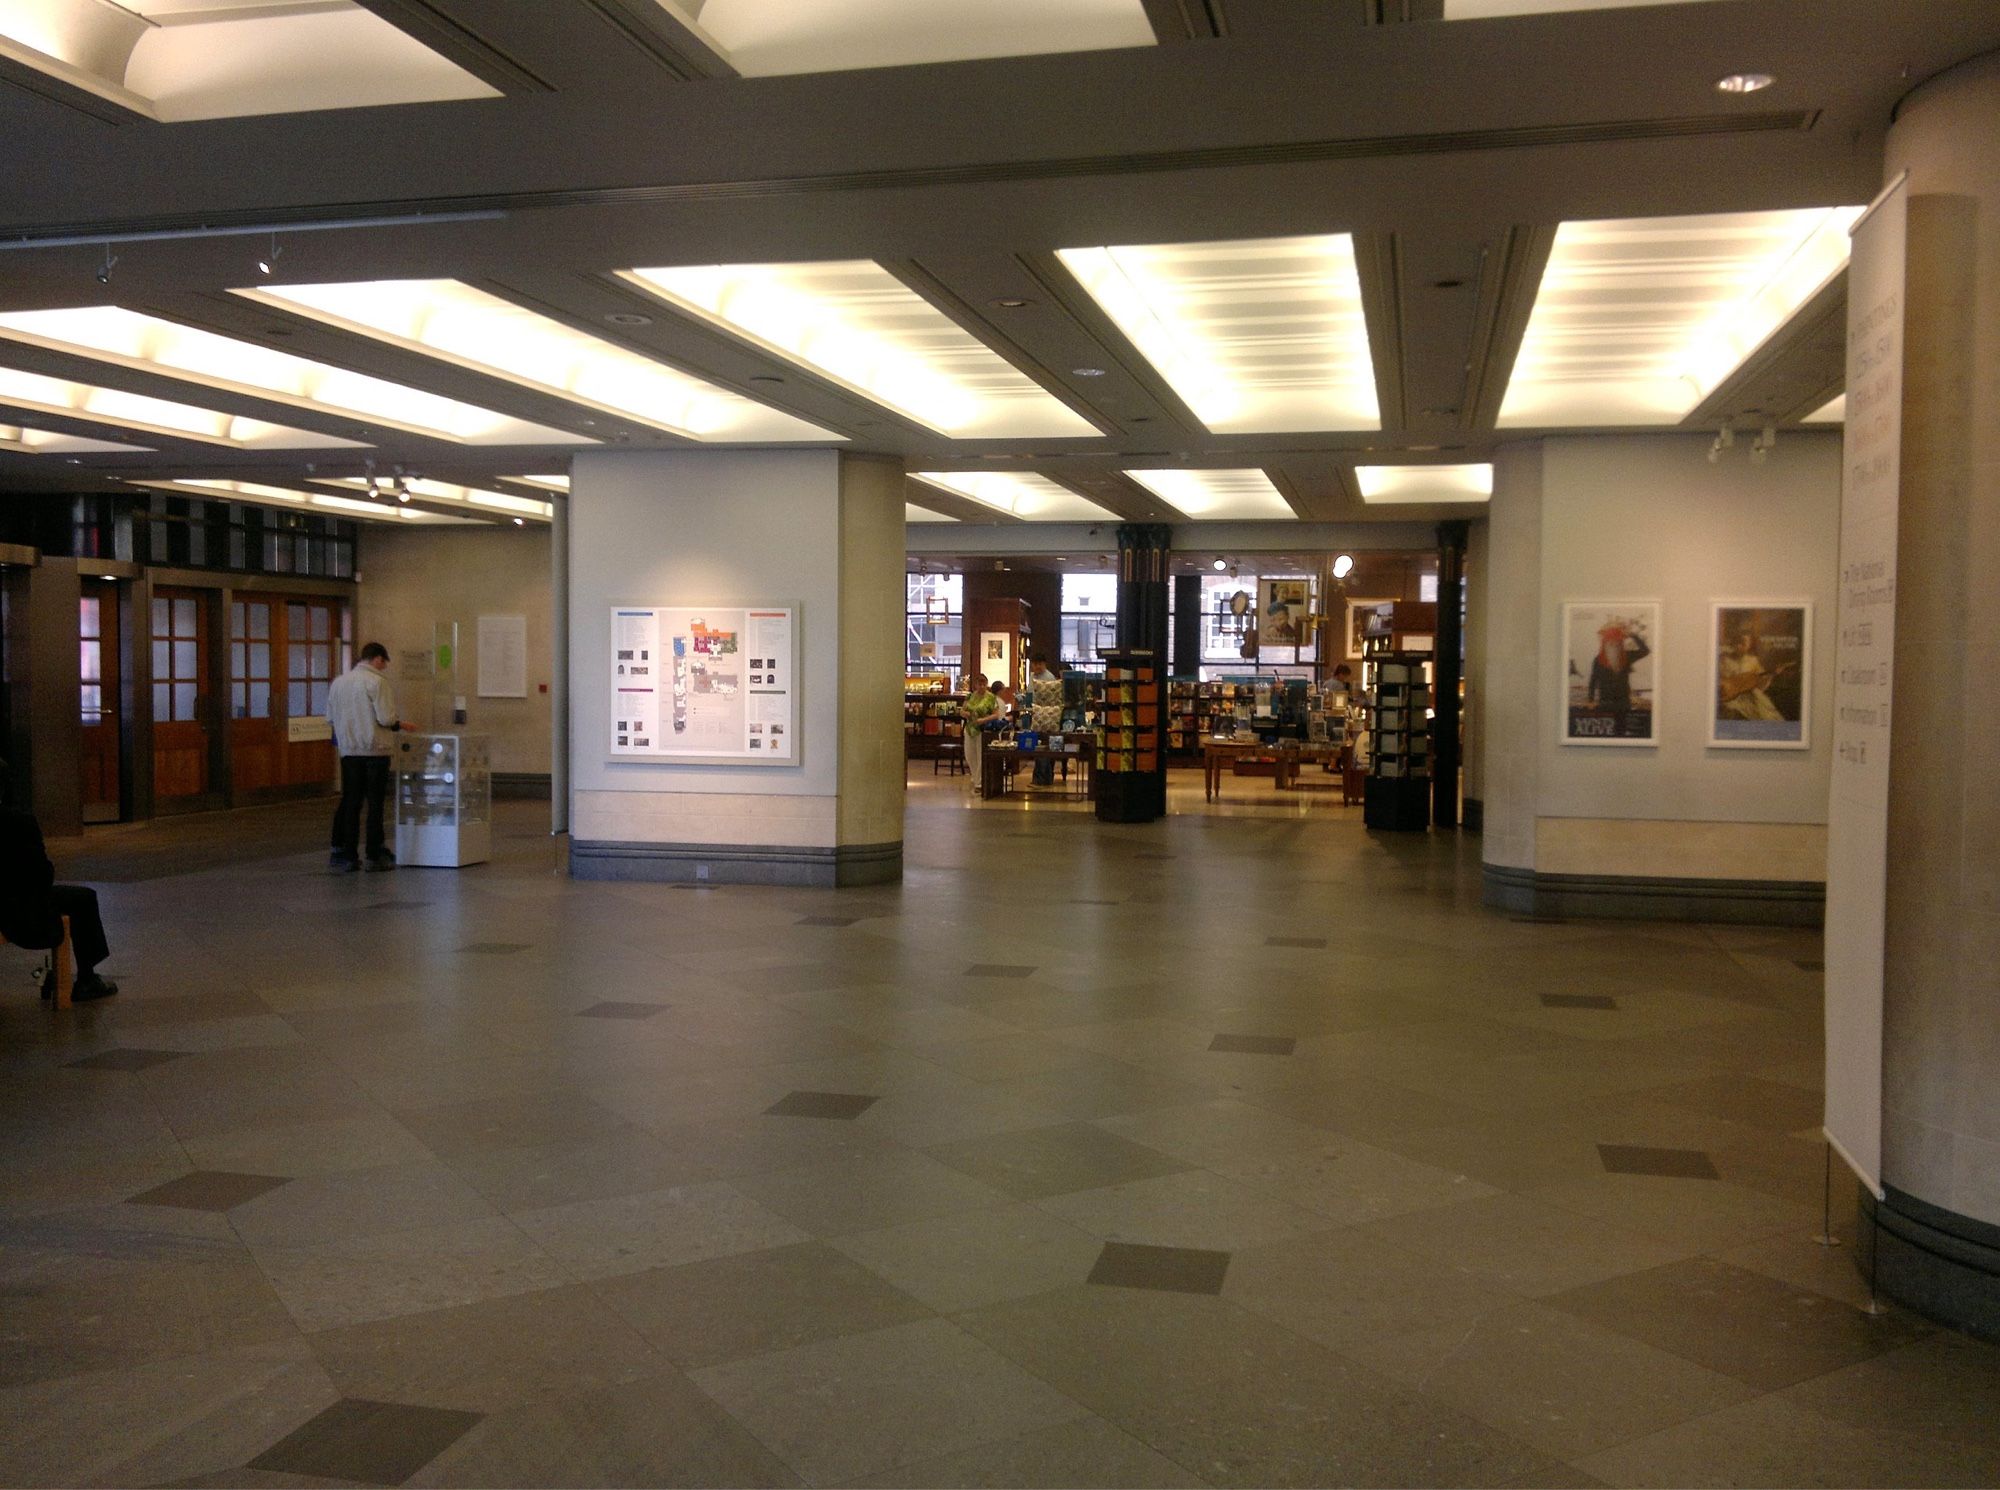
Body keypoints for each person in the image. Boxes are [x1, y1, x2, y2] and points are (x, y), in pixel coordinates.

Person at [0, 758, 117, 1000]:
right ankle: (86, 978)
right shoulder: (19, 822)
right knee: (84, 898)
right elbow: (40, 875)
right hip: (19, 909)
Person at [328, 642, 414, 872]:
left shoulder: (339, 682)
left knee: (350, 801)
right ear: (378, 659)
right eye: (384, 663)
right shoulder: (376, 682)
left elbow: (330, 717)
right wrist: (401, 724)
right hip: (376, 750)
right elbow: (386, 718)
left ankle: (346, 854)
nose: (384, 668)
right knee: (375, 804)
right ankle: (375, 853)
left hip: (349, 751)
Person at [1586, 619, 1652, 737]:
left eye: (1617, 642)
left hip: (1623, 703)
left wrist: (1632, 635)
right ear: (1605, 643)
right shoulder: (1598, 660)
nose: (1613, 645)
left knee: (1621, 734)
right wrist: (1590, 700)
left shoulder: (1627, 656)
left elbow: (1645, 651)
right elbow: (1593, 680)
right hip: (1605, 703)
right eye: (1610, 643)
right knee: (1603, 736)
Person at [1718, 629, 1788, 723]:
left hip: (1751, 696)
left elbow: (1760, 683)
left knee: (1767, 716)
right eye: (1740, 642)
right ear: (1735, 643)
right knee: (1732, 712)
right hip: (1730, 697)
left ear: (1749, 645)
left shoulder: (1753, 660)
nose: (1742, 645)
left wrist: (1773, 674)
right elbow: (1717, 679)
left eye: (1746, 643)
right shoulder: (1724, 659)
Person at [961, 673, 999, 795]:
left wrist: (984, 720)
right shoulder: (970, 697)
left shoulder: (991, 698)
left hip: (982, 730)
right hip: (969, 729)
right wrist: (965, 714)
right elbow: (962, 710)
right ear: (975, 685)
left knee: (980, 756)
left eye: (984, 684)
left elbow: (996, 714)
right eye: (979, 684)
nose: (982, 686)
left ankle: (979, 783)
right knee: (970, 755)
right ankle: (976, 777)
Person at [1028, 654, 1063, 785]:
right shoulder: (1032, 676)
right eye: (1034, 663)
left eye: (1039, 664)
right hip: (1036, 716)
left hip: (1048, 718)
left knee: (1045, 748)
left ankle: (1042, 779)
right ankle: (1041, 778)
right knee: (1040, 748)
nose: (1036, 666)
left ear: (1044, 664)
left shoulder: (1049, 678)